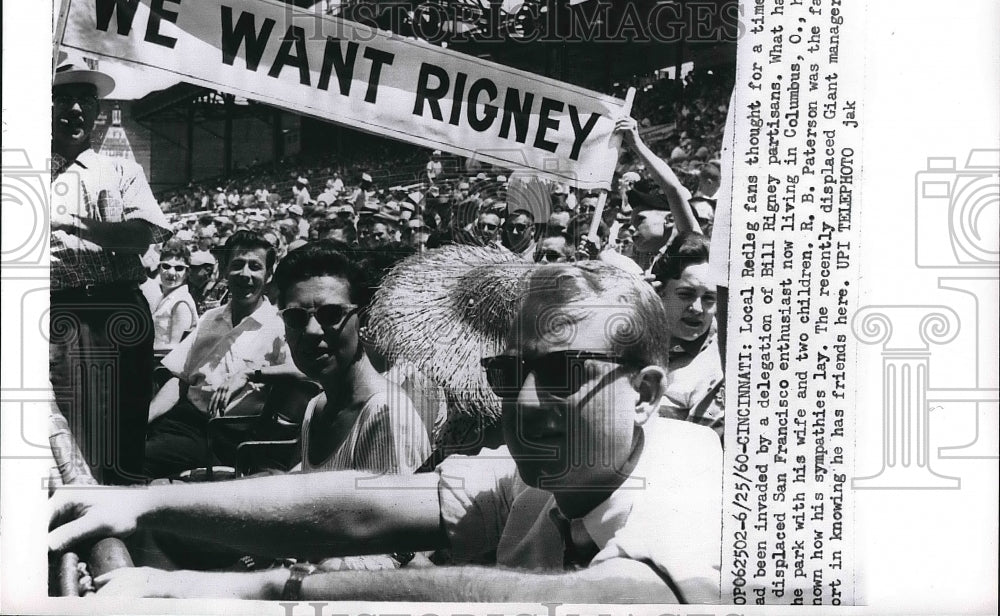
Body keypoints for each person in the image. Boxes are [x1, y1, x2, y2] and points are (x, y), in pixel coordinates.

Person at [51, 262, 722, 602]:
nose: (521, 398)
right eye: (508, 371)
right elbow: (364, 505)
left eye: (560, 372)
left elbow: (556, 602)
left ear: (645, 393)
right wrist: (141, 501)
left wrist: (233, 591)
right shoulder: (542, 478)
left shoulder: (696, 488)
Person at [50, 55, 171, 484]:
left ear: (99, 111)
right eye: (63, 98)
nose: (76, 110)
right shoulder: (26, 172)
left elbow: (142, 234)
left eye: (85, 99)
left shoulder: (121, 169)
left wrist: (74, 224)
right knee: (69, 434)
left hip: (118, 305)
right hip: (57, 312)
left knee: (122, 433)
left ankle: (125, 530)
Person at [142, 230, 301, 478]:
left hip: (225, 435)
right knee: (119, 442)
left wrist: (251, 373)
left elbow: (303, 372)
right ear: (225, 270)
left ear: (268, 275)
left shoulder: (278, 325)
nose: (245, 274)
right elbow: (180, 379)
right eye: (237, 265)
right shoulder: (209, 318)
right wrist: (145, 418)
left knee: (136, 459)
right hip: (183, 420)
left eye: (255, 267)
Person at [273, 242, 431, 475]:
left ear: (364, 319)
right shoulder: (317, 407)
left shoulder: (386, 416)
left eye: (331, 315)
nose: (312, 331)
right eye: (296, 317)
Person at [649, 232, 724, 438]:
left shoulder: (719, 366)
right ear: (659, 292)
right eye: (686, 295)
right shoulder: (632, 340)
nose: (698, 309)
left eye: (709, 298)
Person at [150, 239, 198, 349]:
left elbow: (176, 349)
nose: (171, 273)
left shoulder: (181, 303)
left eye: (179, 268)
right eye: (166, 266)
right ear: (159, 269)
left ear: (186, 274)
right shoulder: (163, 298)